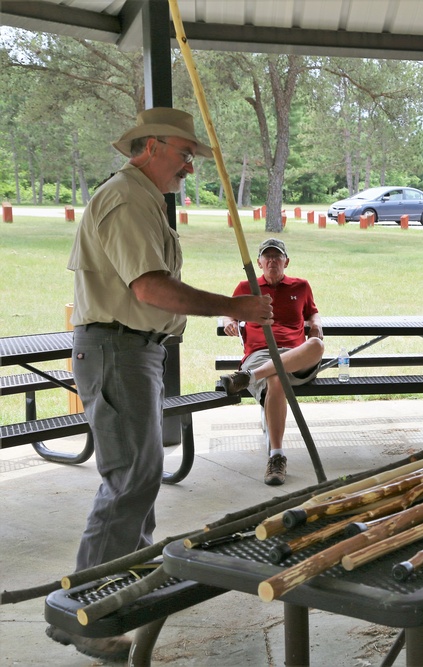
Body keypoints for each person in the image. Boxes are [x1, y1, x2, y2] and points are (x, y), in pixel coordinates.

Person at [60, 108, 273, 661]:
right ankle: (86, 613)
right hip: (118, 349)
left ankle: (125, 588)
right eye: (184, 154)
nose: (189, 167)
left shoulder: (145, 200)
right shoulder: (128, 199)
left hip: (134, 352)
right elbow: (152, 289)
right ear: (150, 146)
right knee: (131, 479)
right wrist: (235, 307)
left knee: (141, 477)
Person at [219, 238, 324, 486]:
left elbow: (312, 311)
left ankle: (249, 378)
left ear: (286, 261)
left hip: (295, 355)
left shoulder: (301, 286)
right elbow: (227, 311)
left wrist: (316, 322)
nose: (272, 261)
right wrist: (229, 322)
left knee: (317, 346)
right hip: (260, 354)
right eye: (267, 257)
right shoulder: (247, 286)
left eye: (277, 257)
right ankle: (276, 457)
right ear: (259, 263)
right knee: (276, 380)